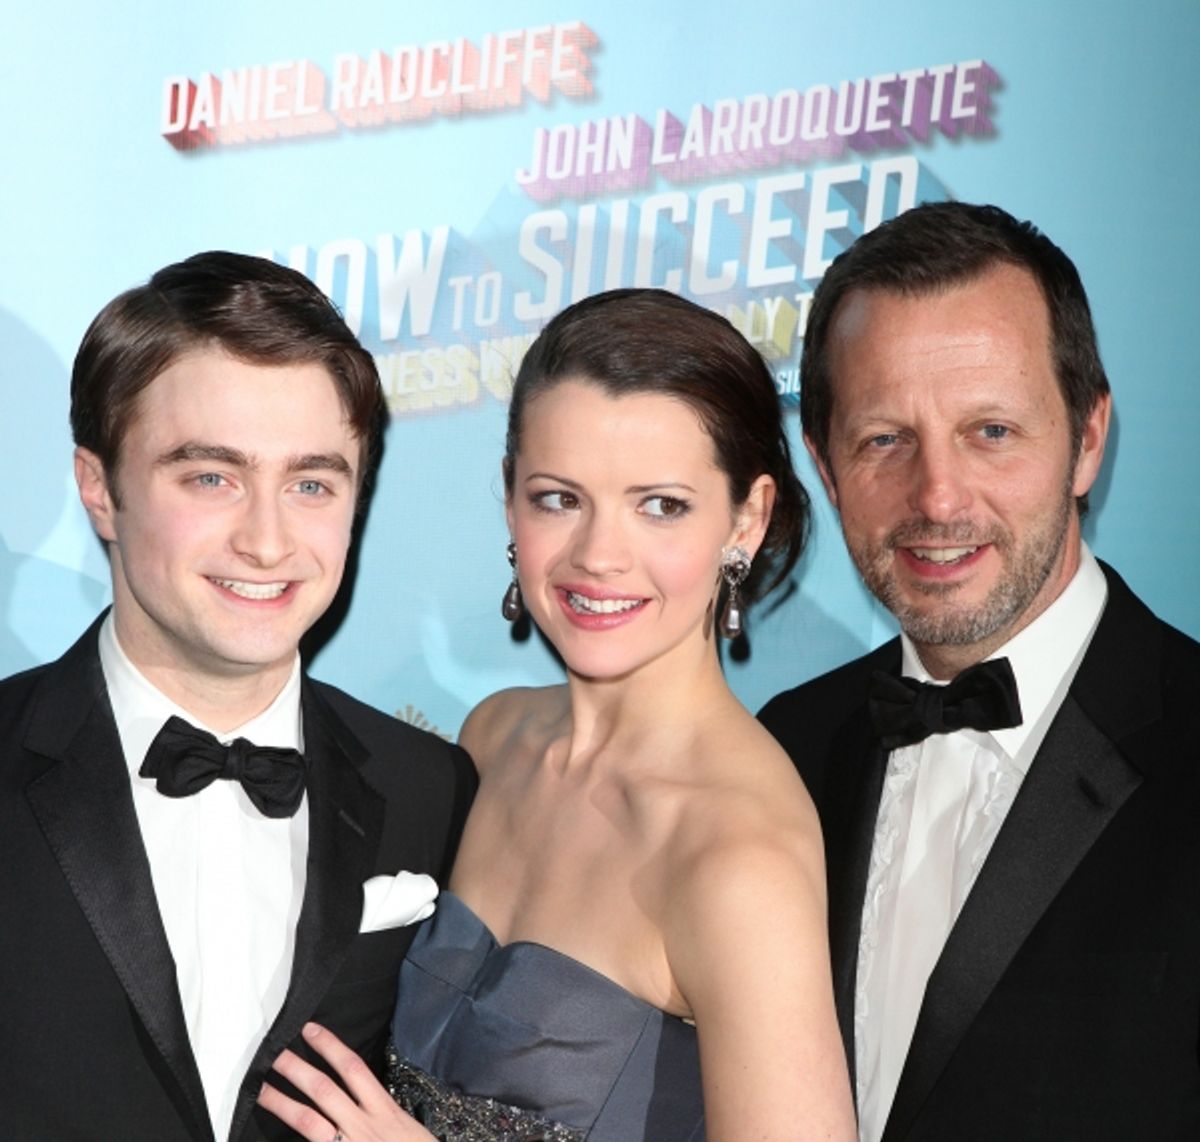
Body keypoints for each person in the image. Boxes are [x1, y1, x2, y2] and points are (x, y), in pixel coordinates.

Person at [258, 289, 857, 1141]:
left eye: (661, 505)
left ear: (747, 519)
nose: (598, 556)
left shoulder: (738, 856)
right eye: (558, 499)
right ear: (510, 500)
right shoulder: (494, 737)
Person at [0, 252, 476, 1142]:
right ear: (100, 489)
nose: (267, 539)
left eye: (310, 483)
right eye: (210, 476)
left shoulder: (434, 788)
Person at [759, 201, 1200, 1141]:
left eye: (990, 431)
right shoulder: (779, 753)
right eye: (885, 439)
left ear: (1087, 439)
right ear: (826, 470)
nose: (938, 496)